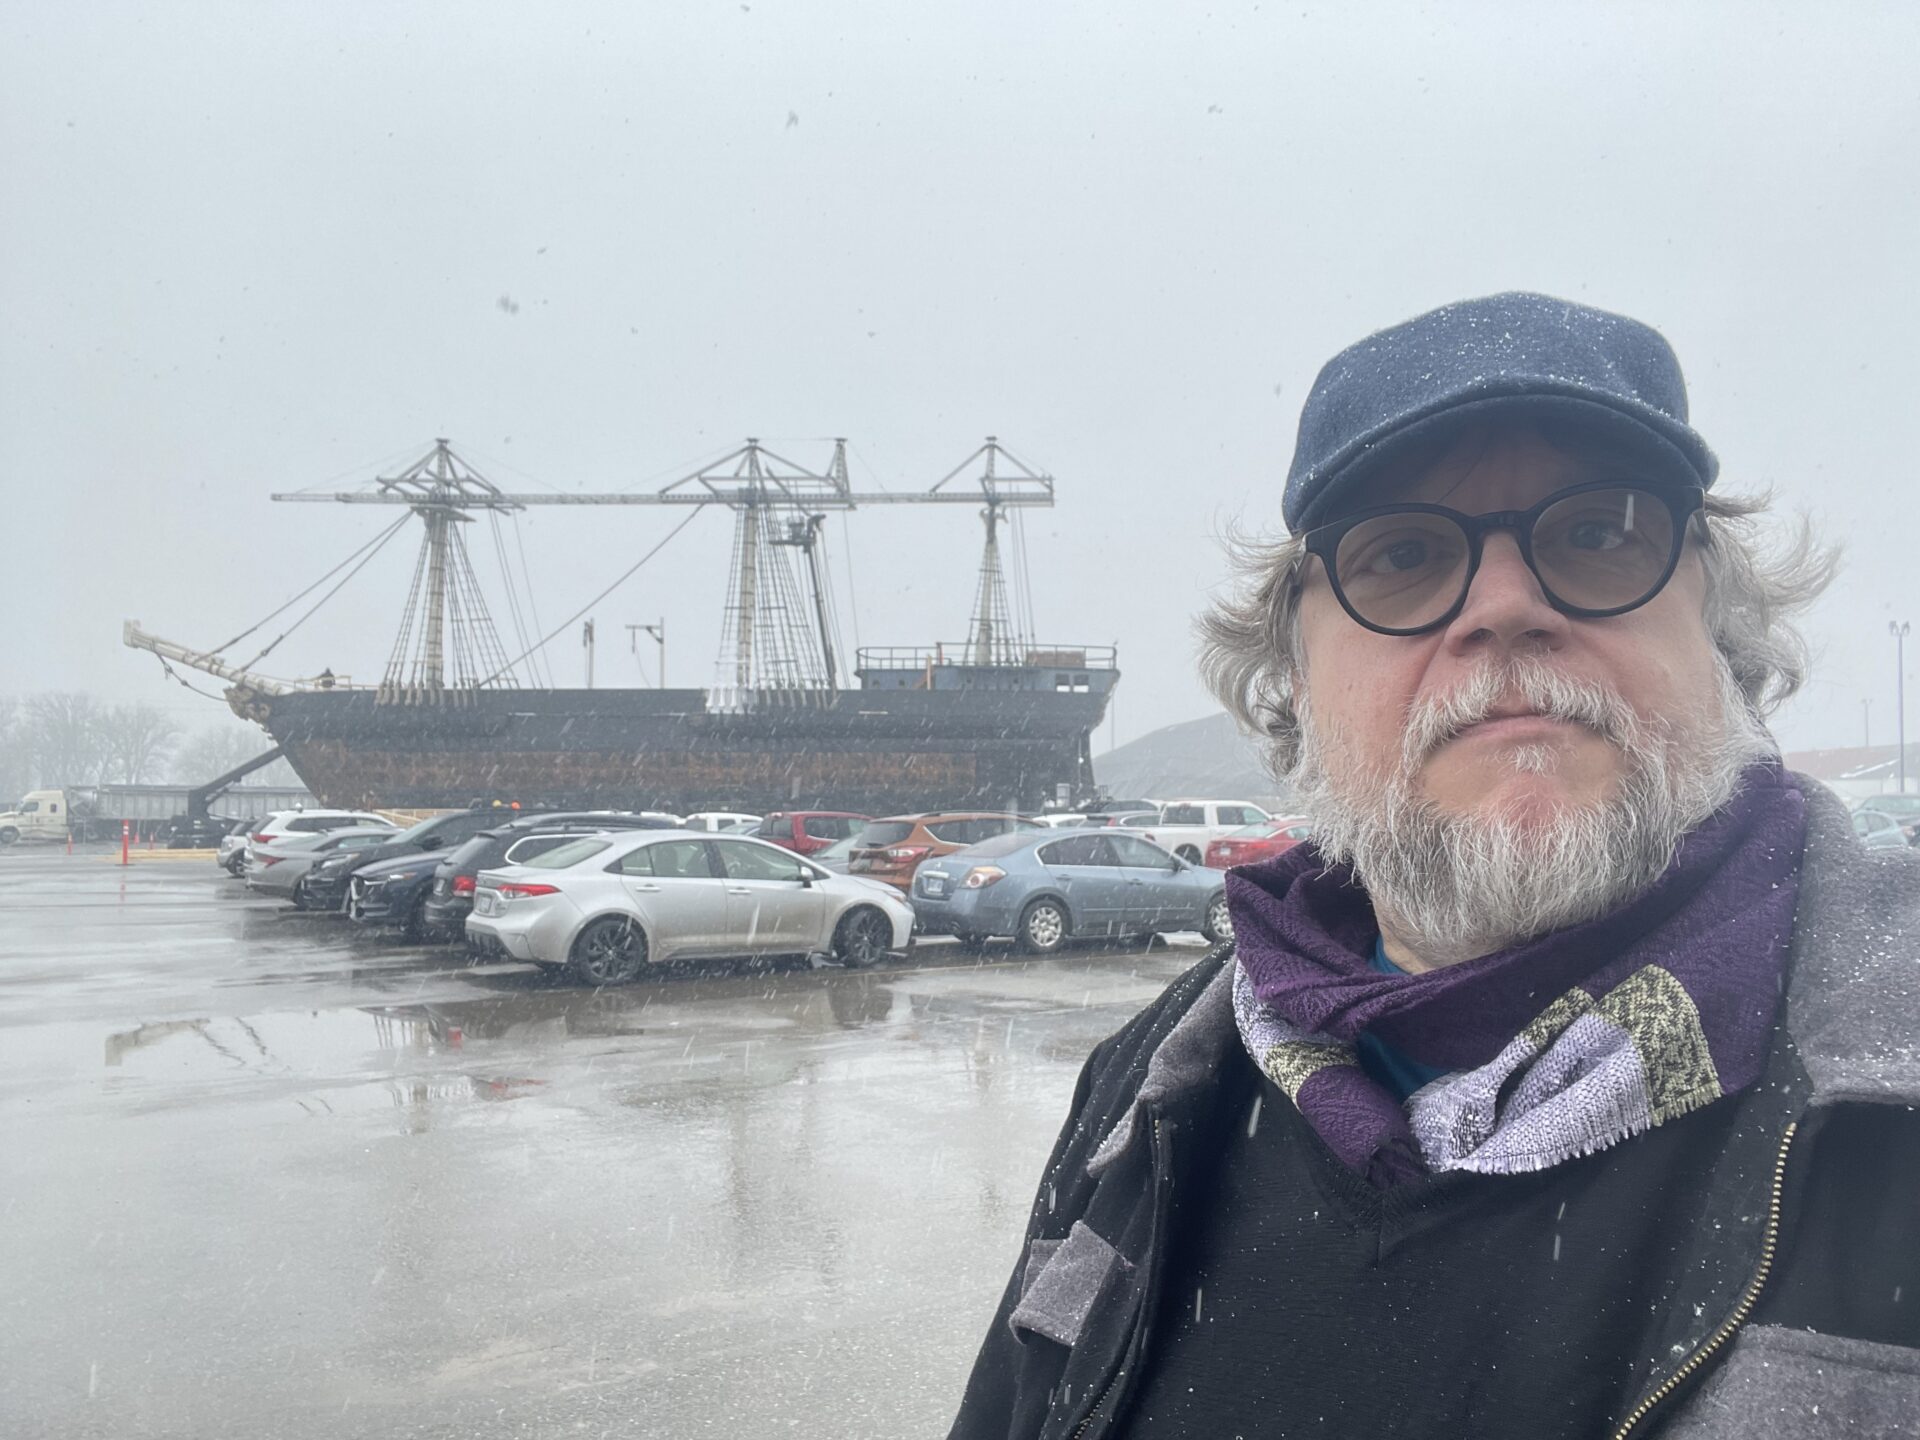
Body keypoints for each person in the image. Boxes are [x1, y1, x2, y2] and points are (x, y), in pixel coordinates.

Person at [946, 293, 1920, 1439]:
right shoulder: (1149, 1092)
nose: (1505, 607)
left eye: (1598, 533)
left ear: (1717, 623)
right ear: (1294, 678)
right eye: (1402, 555)